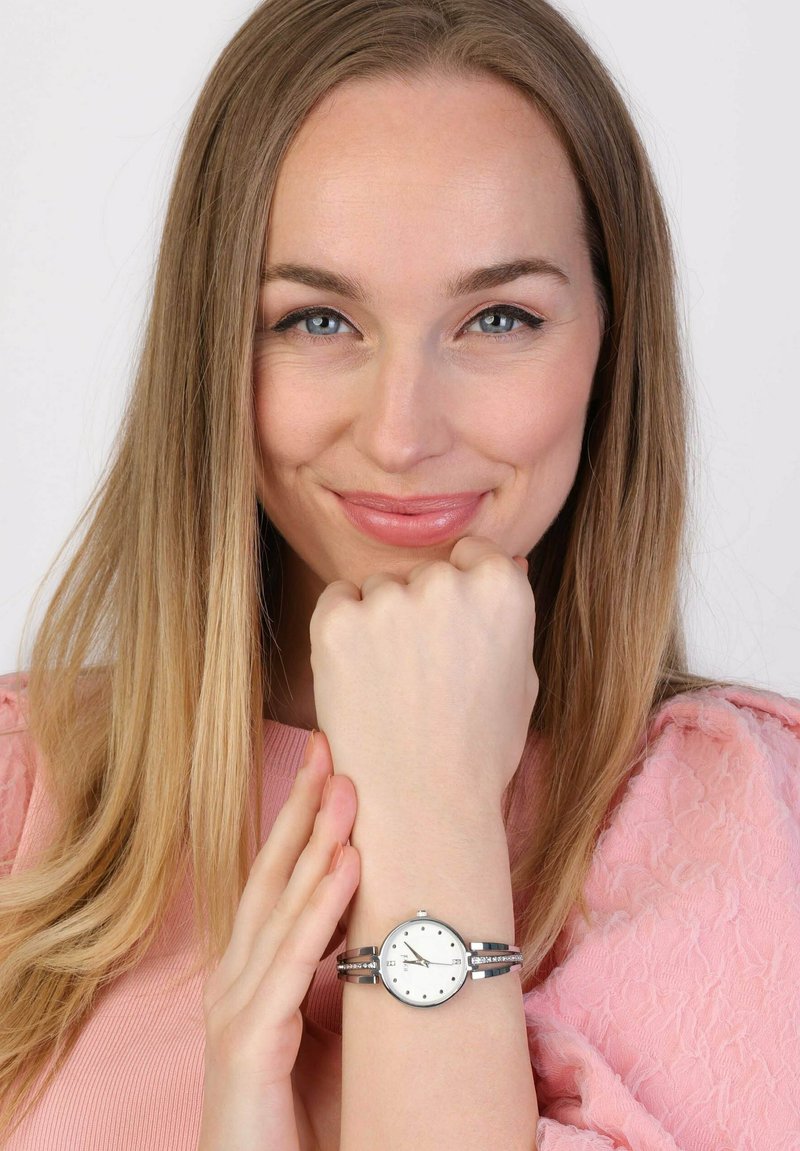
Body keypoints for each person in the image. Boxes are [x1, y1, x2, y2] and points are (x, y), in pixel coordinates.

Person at [1, 0, 798, 1147]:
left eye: (499, 318)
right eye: (318, 318)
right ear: (213, 346)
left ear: (608, 348)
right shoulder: (30, 795)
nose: (400, 432)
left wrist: (429, 817)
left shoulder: (723, 826)